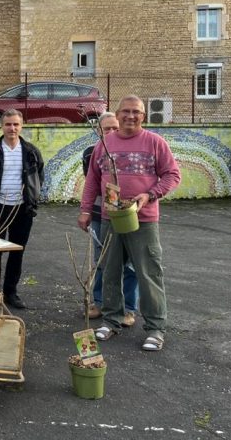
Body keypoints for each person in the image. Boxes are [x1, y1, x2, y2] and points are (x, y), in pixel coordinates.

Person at [78, 95, 181, 352]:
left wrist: (150, 194)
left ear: (143, 116)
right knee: (109, 269)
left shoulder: (155, 142)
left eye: (136, 112)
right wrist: (85, 210)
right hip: (109, 218)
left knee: (148, 272)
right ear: (117, 113)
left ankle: (155, 328)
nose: (130, 116)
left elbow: (172, 174)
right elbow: (93, 179)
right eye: (125, 111)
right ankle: (111, 320)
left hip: (143, 219)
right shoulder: (104, 144)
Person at [0, 109, 44, 309]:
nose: (12, 128)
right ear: (1, 126)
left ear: (22, 126)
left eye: (16, 124)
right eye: (8, 124)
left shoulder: (30, 151)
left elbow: (39, 176)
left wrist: (32, 197)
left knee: (17, 252)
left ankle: (10, 293)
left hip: (23, 209)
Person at [82, 112, 139, 324]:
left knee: (131, 262)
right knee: (103, 260)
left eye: (115, 128)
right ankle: (99, 302)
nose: (112, 133)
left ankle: (129, 308)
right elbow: (99, 183)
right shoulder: (93, 152)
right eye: (107, 129)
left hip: (131, 214)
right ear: (99, 131)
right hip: (101, 215)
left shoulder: (131, 149)